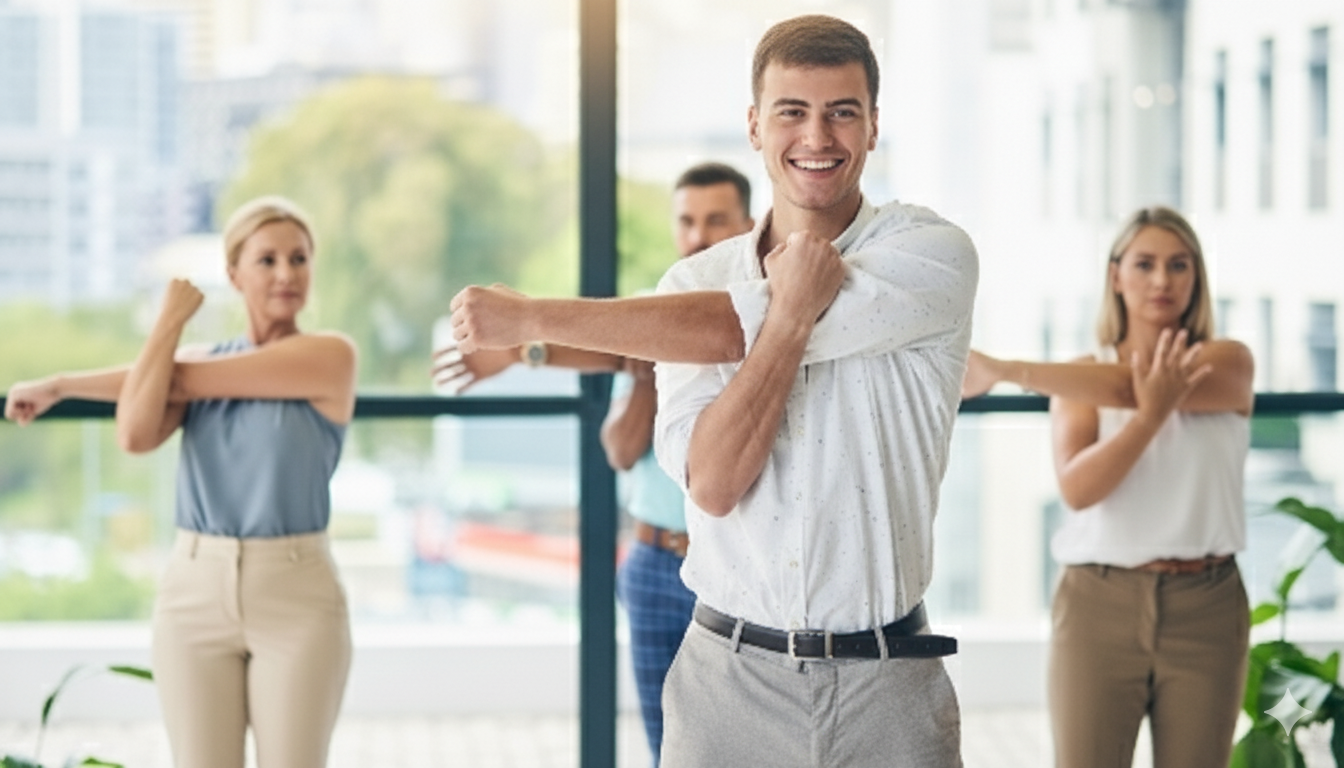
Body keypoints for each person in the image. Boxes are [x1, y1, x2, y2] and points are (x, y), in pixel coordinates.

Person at [448, 15, 976, 767]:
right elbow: (718, 484)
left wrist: (533, 316)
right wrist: (791, 316)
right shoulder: (691, 285)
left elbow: (733, 325)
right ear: (756, 126)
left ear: (873, 125)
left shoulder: (929, 254)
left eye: (842, 112)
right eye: (793, 111)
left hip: (889, 687)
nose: (817, 136)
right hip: (727, 686)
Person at [4, 196, 357, 768]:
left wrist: (138, 354)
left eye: (300, 258)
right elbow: (135, 434)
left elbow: (191, 378)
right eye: (267, 260)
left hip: (296, 594)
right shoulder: (191, 365)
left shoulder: (329, 356)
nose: (287, 273)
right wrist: (151, 335)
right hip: (193, 590)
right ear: (233, 274)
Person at [432, 162, 753, 765]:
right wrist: (525, 352)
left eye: (715, 220)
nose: (698, 235)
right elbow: (619, 445)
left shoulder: (762, 311)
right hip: (656, 565)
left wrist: (526, 345)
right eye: (686, 221)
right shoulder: (653, 313)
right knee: (671, 753)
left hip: (734, 569)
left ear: (747, 223)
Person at [961, 206, 1253, 768]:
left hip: (1208, 605)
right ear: (1116, 275)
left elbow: (1129, 385)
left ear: (1197, 277)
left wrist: (1005, 368)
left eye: (1179, 265)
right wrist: (1150, 418)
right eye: (1144, 264)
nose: (1163, 280)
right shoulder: (1078, 376)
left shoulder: (1227, 362)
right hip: (1099, 603)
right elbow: (1078, 490)